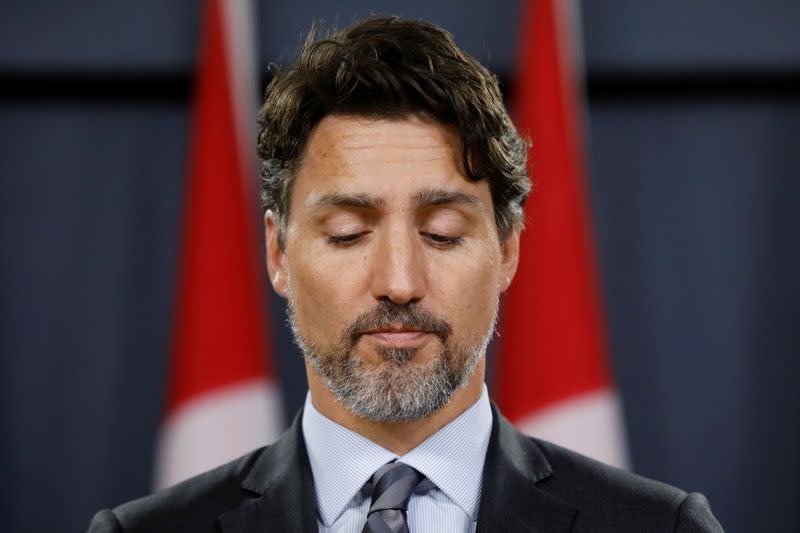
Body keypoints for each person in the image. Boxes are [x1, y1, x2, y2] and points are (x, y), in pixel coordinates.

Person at [88, 16, 723, 533]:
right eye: (348, 233)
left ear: (507, 252)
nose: (398, 281)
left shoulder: (660, 527)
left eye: (442, 233)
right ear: (278, 253)